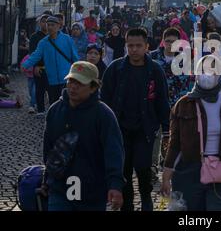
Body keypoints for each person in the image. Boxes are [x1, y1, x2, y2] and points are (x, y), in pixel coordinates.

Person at [161, 55, 221, 211]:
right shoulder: (184, 105)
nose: (207, 74)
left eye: (212, 70)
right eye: (203, 70)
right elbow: (175, 143)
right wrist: (167, 173)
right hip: (190, 171)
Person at [101, 28, 170, 211]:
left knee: (143, 168)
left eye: (138, 45)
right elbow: (104, 100)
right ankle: (127, 205)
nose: (134, 49)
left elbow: (162, 101)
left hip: (145, 129)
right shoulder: (115, 69)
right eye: (130, 45)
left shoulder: (155, 70)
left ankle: (147, 199)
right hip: (120, 129)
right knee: (123, 169)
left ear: (147, 46)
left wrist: (166, 129)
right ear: (126, 46)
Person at [43, 61, 125, 211]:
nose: (73, 87)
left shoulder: (103, 115)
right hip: (60, 190)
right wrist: (46, 180)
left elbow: (113, 152)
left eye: (80, 83)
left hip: (92, 192)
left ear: (93, 87)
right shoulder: (55, 110)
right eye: (71, 81)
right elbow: (49, 149)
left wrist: (115, 185)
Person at [150, 27, 194, 181]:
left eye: (173, 41)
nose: (170, 44)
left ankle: (168, 161)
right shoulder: (153, 57)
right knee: (155, 135)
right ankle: (153, 166)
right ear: (163, 41)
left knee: (173, 135)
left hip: (177, 103)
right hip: (155, 103)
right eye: (167, 41)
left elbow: (189, 82)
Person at [23, 16, 79, 108]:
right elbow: (36, 55)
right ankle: (55, 120)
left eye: (52, 25)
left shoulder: (67, 39)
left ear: (58, 26)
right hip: (51, 78)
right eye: (48, 25)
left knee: (66, 101)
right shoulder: (43, 42)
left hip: (66, 77)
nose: (49, 27)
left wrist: (78, 71)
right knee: (53, 102)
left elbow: (75, 56)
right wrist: (25, 64)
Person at [29, 14, 50, 115]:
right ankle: (41, 109)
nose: (45, 24)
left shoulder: (54, 36)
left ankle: (52, 110)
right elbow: (32, 52)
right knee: (39, 89)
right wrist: (36, 66)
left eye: (47, 22)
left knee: (52, 90)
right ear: (39, 23)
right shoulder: (34, 37)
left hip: (53, 68)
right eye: (43, 21)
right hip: (40, 67)